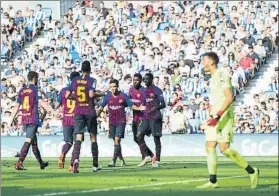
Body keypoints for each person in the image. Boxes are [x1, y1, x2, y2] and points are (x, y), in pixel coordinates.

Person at [197, 52, 259, 189]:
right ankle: (213, 181)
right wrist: (210, 117)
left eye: (204, 60)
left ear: (212, 62)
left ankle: (252, 171)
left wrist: (218, 115)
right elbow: (213, 101)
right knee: (210, 146)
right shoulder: (212, 78)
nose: (202, 63)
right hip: (215, 116)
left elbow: (229, 97)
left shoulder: (222, 75)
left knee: (224, 149)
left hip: (224, 115)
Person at [10, 71, 55, 170]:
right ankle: (19, 163)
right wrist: (52, 111)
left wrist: (11, 119)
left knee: (34, 142)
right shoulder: (35, 89)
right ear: (35, 79)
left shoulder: (22, 90)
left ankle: (41, 163)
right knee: (28, 140)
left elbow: (17, 106)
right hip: (32, 118)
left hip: (25, 118)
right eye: (37, 79)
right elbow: (41, 102)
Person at [97, 79, 145, 167]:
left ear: (117, 86)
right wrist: (95, 116)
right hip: (111, 122)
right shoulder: (107, 96)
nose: (113, 89)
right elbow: (101, 107)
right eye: (111, 87)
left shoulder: (123, 96)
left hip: (121, 121)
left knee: (117, 140)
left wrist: (139, 108)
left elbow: (131, 105)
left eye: (114, 86)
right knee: (116, 143)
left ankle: (113, 161)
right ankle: (122, 160)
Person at [66, 60, 102, 173]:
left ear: (81, 69)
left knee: (78, 137)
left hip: (78, 111)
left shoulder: (75, 80)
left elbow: (68, 95)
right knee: (93, 137)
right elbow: (91, 95)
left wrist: (77, 98)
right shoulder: (92, 80)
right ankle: (95, 165)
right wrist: (101, 94)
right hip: (89, 111)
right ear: (90, 69)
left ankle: (76, 160)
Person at [137, 73, 166, 167]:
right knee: (138, 135)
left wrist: (154, 108)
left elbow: (163, 104)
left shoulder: (157, 90)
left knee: (156, 138)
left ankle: (157, 160)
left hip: (155, 116)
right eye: (144, 79)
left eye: (146, 79)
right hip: (146, 117)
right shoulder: (144, 91)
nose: (145, 81)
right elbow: (144, 104)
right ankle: (147, 156)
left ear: (151, 79)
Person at [55, 71, 80, 170]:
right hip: (77, 119)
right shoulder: (80, 90)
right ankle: (71, 164)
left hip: (66, 119)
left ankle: (62, 153)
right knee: (77, 142)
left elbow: (56, 105)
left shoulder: (63, 90)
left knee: (68, 142)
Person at [129, 73, 154, 160]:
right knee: (136, 139)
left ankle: (145, 157)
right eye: (134, 80)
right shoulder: (131, 90)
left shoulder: (144, 91)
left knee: (139, 137)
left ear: (141, 81)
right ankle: (151, 155)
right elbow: (129, 102)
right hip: (135, 118)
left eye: (137, 80)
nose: (135, 82)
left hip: (143, 118)